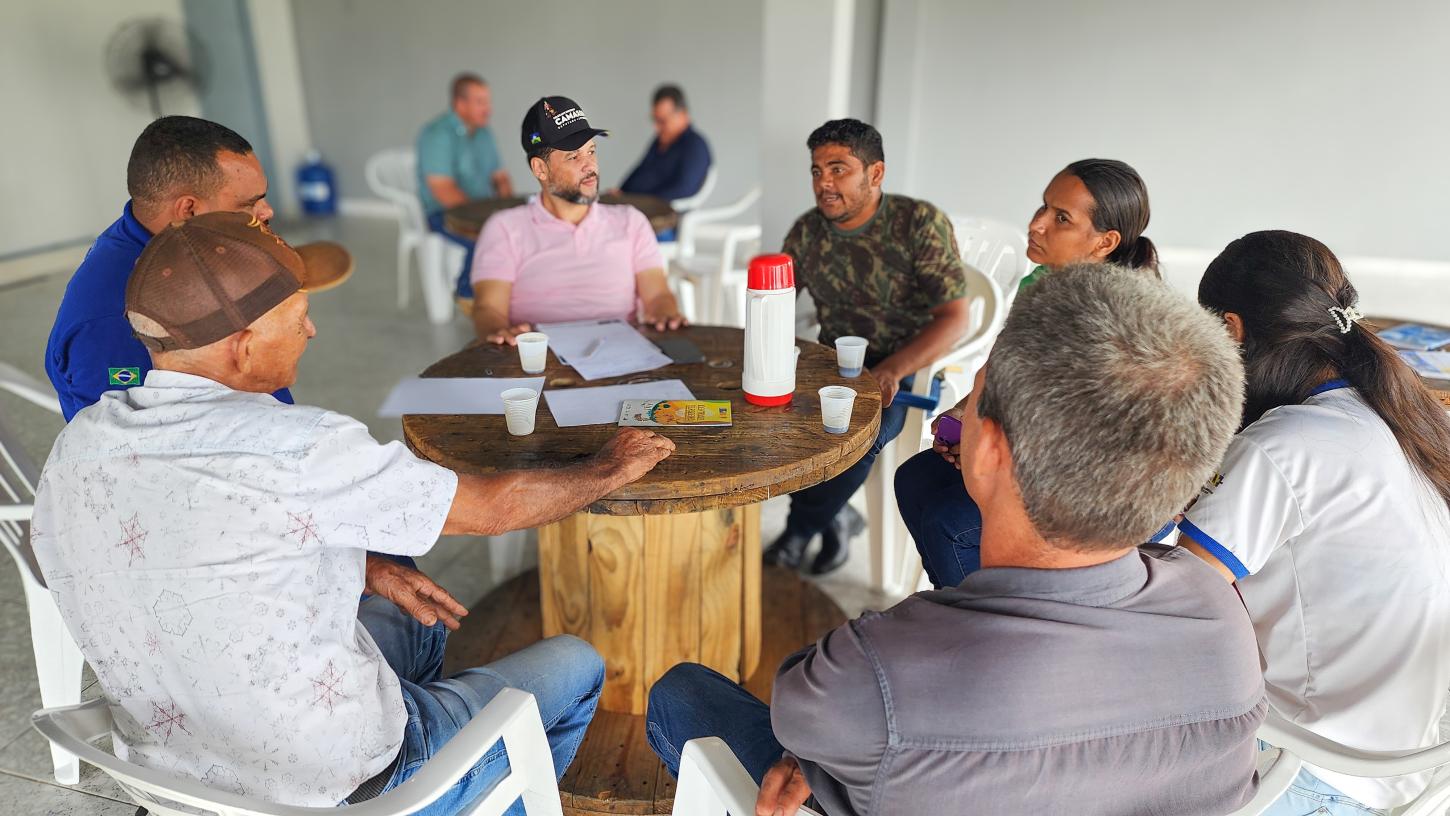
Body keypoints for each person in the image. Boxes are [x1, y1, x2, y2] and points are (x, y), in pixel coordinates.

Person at [31, 211, 677, 814]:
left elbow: (193, 541)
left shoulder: (75, 448)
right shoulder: (300, 447)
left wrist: (367, 568)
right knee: (580, 664)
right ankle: (447, 778)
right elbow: (493, 508)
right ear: (244, 344)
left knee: (417, 615)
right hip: (336, 786)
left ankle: (422, 719)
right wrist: (606, 468)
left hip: (176, 779)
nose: (311, 330)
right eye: (300, 315)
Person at [646, 265, 1264, 815]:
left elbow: (800, 714)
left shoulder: (877, 670)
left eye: (973, 399)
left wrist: (820, 759)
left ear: (991, 448)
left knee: (682, 692)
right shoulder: (1224, 619)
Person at [1178, 231, 1450, 815]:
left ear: (1231, 331)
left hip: (1308, 774)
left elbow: (1177, 600)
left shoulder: (1287, 444)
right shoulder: (1406, 419)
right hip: (1405, 772)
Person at [894, 158, 1160, 587]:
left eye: (1061, 218)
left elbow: (1087, 436)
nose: (1036, 225)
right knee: (916, 478)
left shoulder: (1115, 318)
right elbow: (1001, 369)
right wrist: (964, 418)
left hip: (1095, 486)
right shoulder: (1041, 281)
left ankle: (999, 632)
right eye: (1043, 207)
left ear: (1104, 242)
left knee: (952, 523)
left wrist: (985, 449)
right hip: (1036, 456)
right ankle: (970, 612)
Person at [761, 119, 971, 576]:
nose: (824, 183)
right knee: (770, 417)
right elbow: (778, 302)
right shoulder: (808, 231)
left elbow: (955, 318)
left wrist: (893, 370)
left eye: (838, 169)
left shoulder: (917, 222)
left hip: (908, 363)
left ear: (875, 174)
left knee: (863, 433)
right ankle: (838, 514)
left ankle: (800, 529)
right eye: (816, 171)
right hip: (832, 362)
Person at [44, 115, 348, 422]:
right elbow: (143, 454)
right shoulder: (113, 322)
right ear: (189, 209)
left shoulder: (188, 246)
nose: (266, 212)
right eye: (249, 203)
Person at [469, 96, 685, 345]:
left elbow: (658, 294)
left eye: (591, 151)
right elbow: (487, 310)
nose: (590, 165)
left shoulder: (631, 222)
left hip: (622, 358)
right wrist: (498, 331)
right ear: (540, 169)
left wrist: (663, 313)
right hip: (542, 363)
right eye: (573, 157)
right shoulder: (505, 229)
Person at [416, 73, 514, 300]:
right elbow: (443, 191)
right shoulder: (436, 135)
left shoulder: (484, 132)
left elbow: (501, 177)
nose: (488, 108)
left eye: (488, 101)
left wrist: (508, 211)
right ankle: (468, 296)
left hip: (484, 208)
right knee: (487, 238)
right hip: (443, 213)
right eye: (480, 102)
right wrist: (485, 223)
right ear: (460, 104)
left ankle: (505, 294)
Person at [616, 84, 712, 204]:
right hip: (635, 205)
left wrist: (637, 200)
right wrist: (622, 192)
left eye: (662, 121)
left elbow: (684, 188)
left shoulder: (695, 145)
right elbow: (641, 170)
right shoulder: (659, 141)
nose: (656, 128)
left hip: (661, 214)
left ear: (683, 115)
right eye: (655, 120)